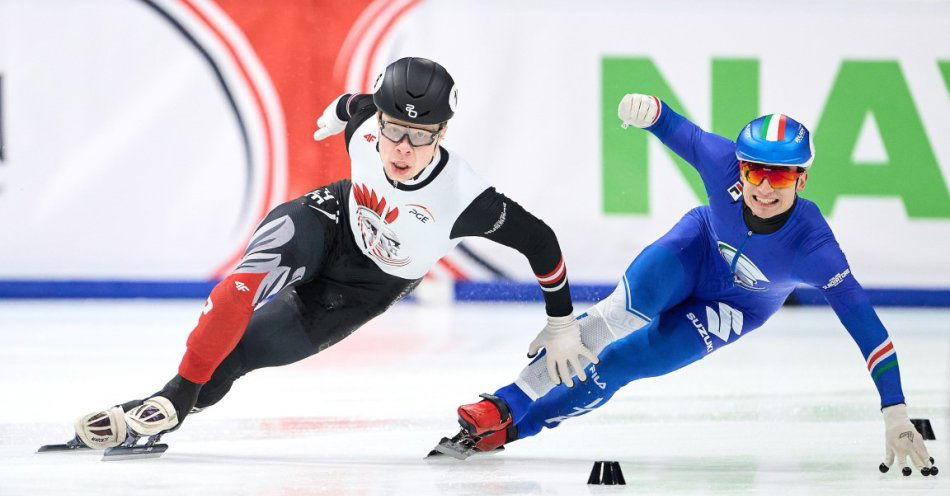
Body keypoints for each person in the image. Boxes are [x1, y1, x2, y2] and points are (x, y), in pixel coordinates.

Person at [67, 57, 598, 452]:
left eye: (420, 136)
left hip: (364, 288)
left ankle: (161, 408)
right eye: (393, 130)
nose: (402, 150)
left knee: (238, 357)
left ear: (443, 131)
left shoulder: (467, 199)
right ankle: (171, 400)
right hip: (329, 220)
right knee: (243, 285)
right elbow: (354, 105)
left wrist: (561, 322)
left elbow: (542, 242)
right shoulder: (368, 120)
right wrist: (341, 108)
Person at [432, 94, 938, 477]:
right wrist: (645, 107)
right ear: (739, 166)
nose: (763, 187)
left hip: (738, 306)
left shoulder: (816, 250)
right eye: (756, 171)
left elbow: (868, 330)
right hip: (695, 247)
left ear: (802, 181)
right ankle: (504, 403)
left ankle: (515, 428)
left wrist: (894, 410)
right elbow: (671, 124)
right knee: (620, 315)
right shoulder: (721, 165)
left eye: (780, 178)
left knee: (621, 364)